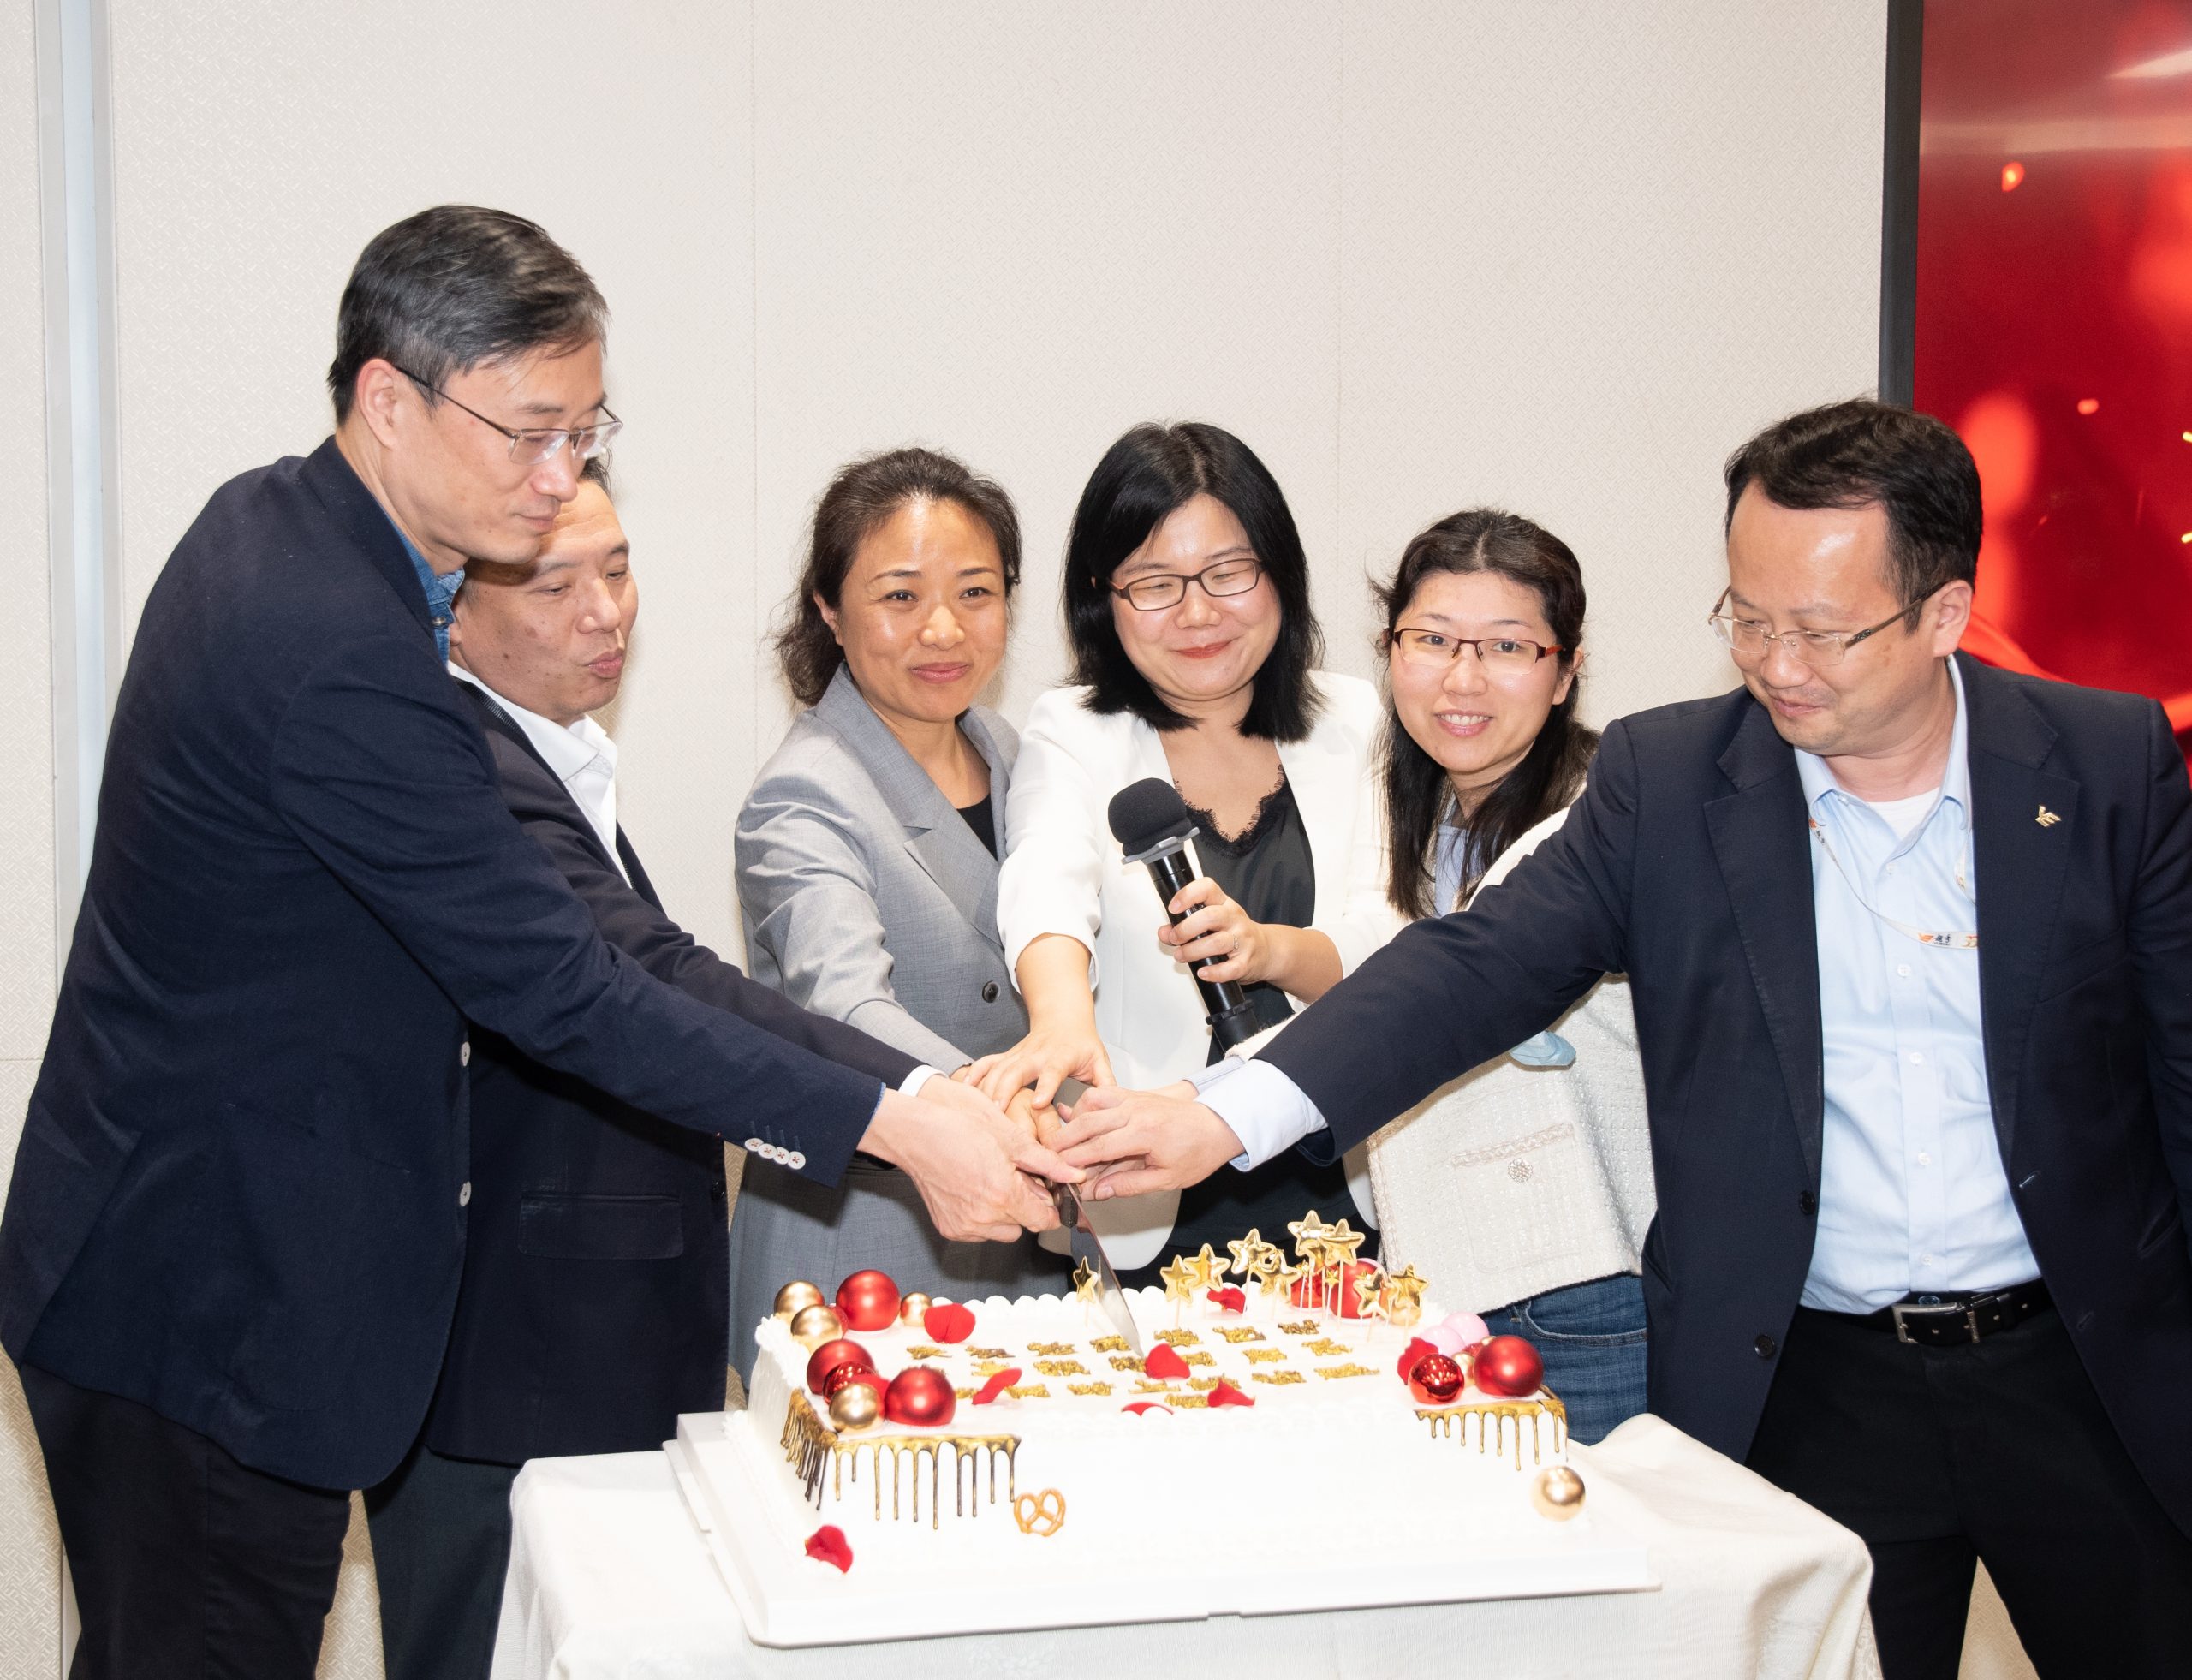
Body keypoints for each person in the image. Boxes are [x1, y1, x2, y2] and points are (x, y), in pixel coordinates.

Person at [0, 206, 1064, 1679]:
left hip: (194, 1253)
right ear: (390, 400)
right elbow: (567, 992)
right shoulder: (338, 645)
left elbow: (633, 956)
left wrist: (914, 1097)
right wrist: (899, 1125)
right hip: (207, 1296)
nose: (563, 477)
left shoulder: (281, 524)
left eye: (587, 431)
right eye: (532, 434)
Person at [1052, 399, 2192, 1678]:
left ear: (1942, 614)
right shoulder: (1674, 782)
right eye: (1746, 619)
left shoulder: (2107, 766)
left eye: (1821, 629)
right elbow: (1473, 966)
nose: (1776, 664)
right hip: (1815, 1385)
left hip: (2084, 1366)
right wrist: (1218, 1116)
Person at [364, 463, 984, 1678]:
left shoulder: (551, 752)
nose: (605, 611)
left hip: (586, 1342)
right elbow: (650, 985)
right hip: (500, 1362)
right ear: (451, 610)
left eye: (617, 568)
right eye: (553, 585)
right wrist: (917, 1108)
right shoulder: (459, 768)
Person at [980, 421, 1399, 1277]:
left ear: (1278, 571)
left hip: (1340, 1177)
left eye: (1228, 572)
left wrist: (1269, 951)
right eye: (1155, 584)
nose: (1198, 613)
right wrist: (1060, 1022)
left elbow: (1392, 934)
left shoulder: (1357, 719)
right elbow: (1047, 879)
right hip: (1148, 1189)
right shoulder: (1073, 731)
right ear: (1103, 597)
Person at [732, 449, 1065, 1364]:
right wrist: (1011, 1109)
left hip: (1024, 1246)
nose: (944, 629)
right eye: (901, 596)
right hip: (866, 1251)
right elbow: (845, 1005)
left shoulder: (1009, 749)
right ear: (829, 610)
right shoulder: (804, 794)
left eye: (975, 592)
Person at [1355, 509, 1653, 1443]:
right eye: (1433, 639)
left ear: (1565, 673)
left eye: (1508, 647)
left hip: (1576, 1278)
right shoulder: (1406, 813)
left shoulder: (1604, 821)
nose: (1462, 678)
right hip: (1449, 1277)